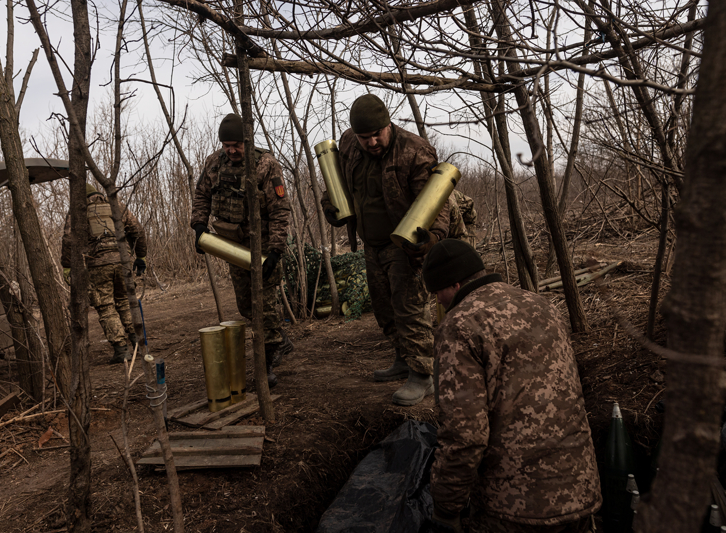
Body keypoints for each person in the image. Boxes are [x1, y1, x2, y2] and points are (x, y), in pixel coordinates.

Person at [422, 239, 602, 533]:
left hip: (514, 508)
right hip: (581, 492)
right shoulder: (543, 306)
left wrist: (445, 509)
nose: (438, 301)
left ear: (455, 284)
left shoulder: (459, 325)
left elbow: (464, 436)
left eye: (437, 292)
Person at [321, 94, 450, 406]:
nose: (372, 142)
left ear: (388, 124)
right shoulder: (349, 143)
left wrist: (430, 240)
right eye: (365, 137)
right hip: (372, 244)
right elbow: (337, 183)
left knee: (409, 309)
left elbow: (437, 201)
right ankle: (403, 359)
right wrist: (330, 205)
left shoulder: (414, 150)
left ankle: (423, 375)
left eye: (377, 134)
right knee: (384, 308)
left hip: (404, 245)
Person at [191, 113, 292, 388]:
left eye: (236, 145)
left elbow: (280, 210)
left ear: (247, 141)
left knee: (265, 305)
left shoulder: (266, 165)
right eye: (227, 145)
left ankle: (267, 363)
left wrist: (275, 251)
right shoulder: (214, 163)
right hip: (232, 246)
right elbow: (202, 194)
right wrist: (199, 226)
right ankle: (281, 339)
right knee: (246, 305)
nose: (231, 151)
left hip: (263, 246)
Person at [61, 183, 147, 364]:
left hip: (98, 265)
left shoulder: (78, 211)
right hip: (123, 261)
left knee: (106, 306)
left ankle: (121, 351)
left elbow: (69, 240)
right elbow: (137, 230)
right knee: (125, 301)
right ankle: (138, 343)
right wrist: (141, 256)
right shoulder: (116, 205)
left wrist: (67, 266)